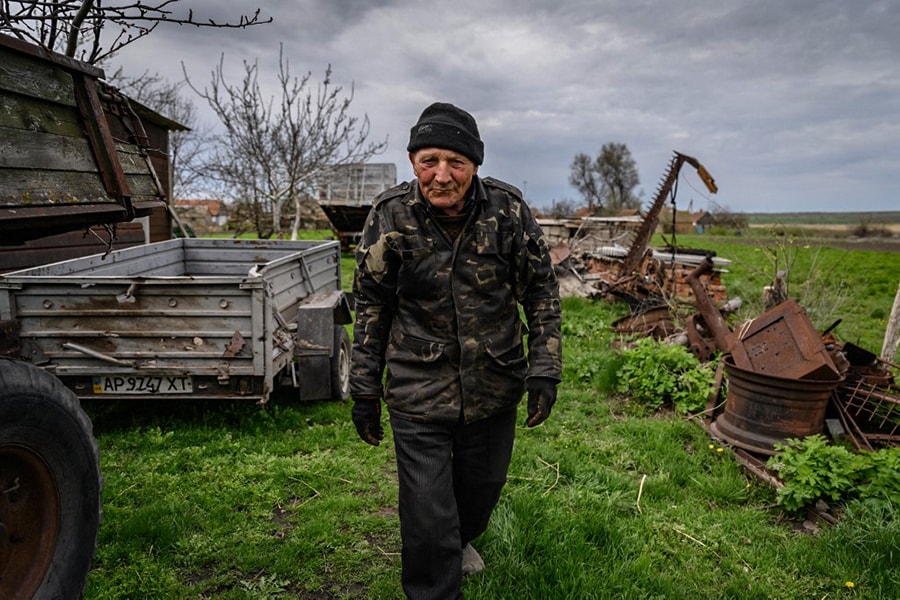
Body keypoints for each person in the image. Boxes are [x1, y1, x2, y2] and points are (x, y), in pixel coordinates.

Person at [349, 102, 562, 599]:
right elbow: (371, 304)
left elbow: (542, 293)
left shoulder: (507, 211)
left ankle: (459, 538)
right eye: (429, 162)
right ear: (412, 161)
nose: (441, 175)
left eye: (455, 163)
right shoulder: (390, 216)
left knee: (478, 494)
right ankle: (435, 574)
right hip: (416, 385)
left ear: (474, 165)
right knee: (427, 513)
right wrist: (363, 388)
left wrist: (545, 369)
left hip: (493, 381)